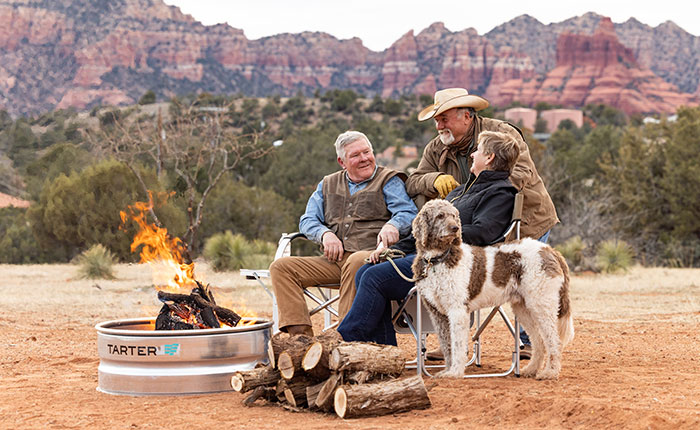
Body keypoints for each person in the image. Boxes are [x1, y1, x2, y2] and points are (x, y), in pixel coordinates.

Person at [405, 88, 559, 357]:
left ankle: (532, 344)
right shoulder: (437, 146)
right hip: (467, 229)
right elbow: (415, 180)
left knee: (527, 287)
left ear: (467, 116)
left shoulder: (500, 134)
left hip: (523, 220)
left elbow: (521, 172)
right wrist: (434, 180)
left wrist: (481, 195)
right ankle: (454, 344)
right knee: (457, 279)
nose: (439, 126)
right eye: (437, 120)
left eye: (444, 119)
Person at [337, 130, 519, 346]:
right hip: (429, 257)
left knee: (374, 277)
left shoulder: (500, 192)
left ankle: (345, 338)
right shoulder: (462, 191)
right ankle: (382, 348)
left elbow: (483, 233)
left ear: (489, 157)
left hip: (451, 265)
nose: (472, 155)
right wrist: (393, 250)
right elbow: (423, 231)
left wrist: (438, 236)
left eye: (478, 151)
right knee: (365, 269)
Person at [269, 130, 417, 337]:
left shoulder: (388, 180)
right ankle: (301, 341)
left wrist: (393, 225)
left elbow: (407, 212)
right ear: (342, 161)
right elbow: (307, 219)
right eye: (355, 155)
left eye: (367, 152)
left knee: (357, 261)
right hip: (334, 261)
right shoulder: (327, 183)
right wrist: (324, 234)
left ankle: (345, 339)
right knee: (281, 268)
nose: (364, 158)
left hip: (373, 259)